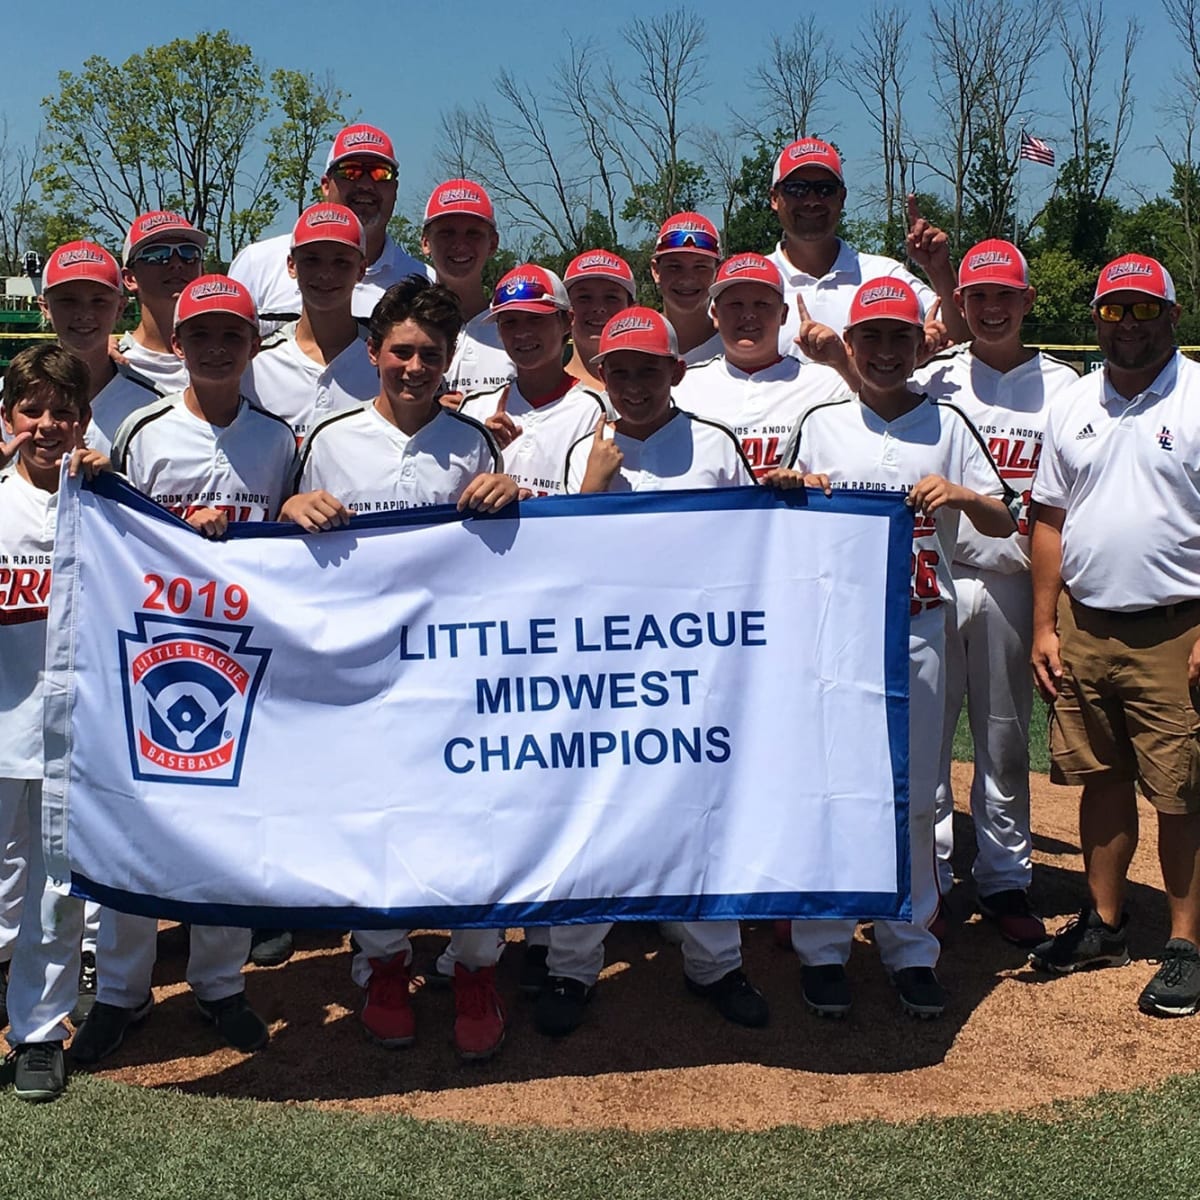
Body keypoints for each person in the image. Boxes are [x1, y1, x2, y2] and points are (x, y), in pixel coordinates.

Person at [281, 276, 516, 1060]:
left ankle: (476, 966)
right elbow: (283, 559)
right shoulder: (329, 439)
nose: (415, 367)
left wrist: (510, 492)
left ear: (450, 363)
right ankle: (383, 961)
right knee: (372, 820)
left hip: (454, 673)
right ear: (375, 351)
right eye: (403, 351)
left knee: (470, 821)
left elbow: (503, 560)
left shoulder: (470, 442)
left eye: (432, 355)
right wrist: (288, 513)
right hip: (359, 671)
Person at [71, 275, 292, 1067]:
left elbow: (294, 547)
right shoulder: (142, 430)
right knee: (138, 825)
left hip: (242, 659)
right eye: (200, 335)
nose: (216, 347)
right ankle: (120, 994)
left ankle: (219, 984)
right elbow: (112, 538)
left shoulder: (278, 438)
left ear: (252, 344)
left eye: (232, 335)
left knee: (225, 831)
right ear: (182, 344)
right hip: (149, 656)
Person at [782, 278, 1015, 1020]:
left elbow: (1006, 517)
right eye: (871, 337)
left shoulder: (945, 421)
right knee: (828, 789)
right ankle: (821, 947)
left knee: (914, 797)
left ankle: (910, 946)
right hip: (832, 632)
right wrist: (792, 486)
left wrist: (964, 496)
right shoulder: (820, 419)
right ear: (849, 347)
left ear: (921, 346)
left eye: (899, 338)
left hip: (917, 626)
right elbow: (777, 511)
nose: (885, 351)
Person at [540, 307, 769, 1037]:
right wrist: (591, 493)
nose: (633, 384)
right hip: (598, 666)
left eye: (648, 370)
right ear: (599, 373)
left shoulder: (714, 445)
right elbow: (548, 573)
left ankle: (716, 963)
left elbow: (755, 548)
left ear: (676, 371)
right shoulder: (574, 444)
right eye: (618, 370)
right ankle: (570, 970)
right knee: (593, 810)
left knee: (707, 810)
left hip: (695, 662)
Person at [1029, 253, 1200, 1017]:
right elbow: (1050, 519)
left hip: (1176, 626)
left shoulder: (1197, 397)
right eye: (1113, 310)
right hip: (1086, 625)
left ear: (1172, 314)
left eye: (1142, 309)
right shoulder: (1071, 402)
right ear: (1096, 318)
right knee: (1098, 779)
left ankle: (1187, 943)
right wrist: (1043, 623)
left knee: (1182, 790)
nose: (1126, 324)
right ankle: (1104, 923)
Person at [917, 240, 1078, 945]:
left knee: (1005, 741)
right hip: (941, 574)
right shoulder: (937, 378)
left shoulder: (1065, 385)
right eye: (976, 295)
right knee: (929, 733)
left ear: (1027, 301)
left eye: (1002, 295)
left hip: (1014, 578)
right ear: (960, 302)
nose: (988, 307)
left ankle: (1007, 877)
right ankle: (934, 876)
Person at [0, 344, 110, 1101]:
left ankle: (39, 1032)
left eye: (62, 411)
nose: (47, 424)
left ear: (84, 420)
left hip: (70, 734)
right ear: (7, 417)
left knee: (53, 891)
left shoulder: (105, 498)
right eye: (31, 409)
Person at [766, 138, 965, 360]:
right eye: (797, 189)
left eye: (825, 189)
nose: (812, 200)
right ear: (774, 198)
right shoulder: (751, 283)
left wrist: (939, 270)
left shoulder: (883, 274)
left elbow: (960, 338)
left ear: (841, 198)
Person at [229, 123, 432, 333]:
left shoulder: (424, 281)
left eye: (380, 173)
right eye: (350, 172)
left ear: (395, 189)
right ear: (326, 185)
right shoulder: (257, 264)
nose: (365, 184)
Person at [673, 252, 849, 477]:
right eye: (735, 304)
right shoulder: (682, 387)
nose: (748, 314)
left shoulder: (826, 383)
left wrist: (842, 362)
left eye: (762, 304)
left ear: (783, 314)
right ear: (715, 314)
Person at [458, 265, 607, 498]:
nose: (522, 333)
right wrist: (481, 450)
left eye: (535, 319)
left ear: (567, 321)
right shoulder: (473, 408)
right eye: (509, 322)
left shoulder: (597, 410)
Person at [242, 203, 378, 449]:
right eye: (312, 260)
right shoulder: (255, 364)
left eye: (341, 262)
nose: (326, 274)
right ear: (291, 266)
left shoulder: (385, 363)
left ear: (361, 270)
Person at [36, 240, 161, 457]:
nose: (84, 313)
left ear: (120, 307)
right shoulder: (11, 394)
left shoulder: (152, 404)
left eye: (99, 301)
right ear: (45, 307)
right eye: (68, 300)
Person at [421, 179, 514, 397]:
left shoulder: (513, 328)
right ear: (426, 242)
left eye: (473, 233)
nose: (460, 244)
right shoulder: (407, 328)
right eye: (447, 233)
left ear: (492, 244)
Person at [116, 211, 207, 393]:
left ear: (201, 270)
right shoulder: (112, 365)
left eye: (189, 253)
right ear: (130, 278)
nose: (176, 263)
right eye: (156, 255)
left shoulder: (232, 356)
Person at [650, 212, 724, 364]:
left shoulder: (736, 350)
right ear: (656, 271)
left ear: (718, 272)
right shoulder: (633, 343)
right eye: (675, 266)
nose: (687, 278)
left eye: (700, 267)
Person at [563, 249, 637, 391]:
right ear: (566, 311)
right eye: (584, 297)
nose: (598, 308)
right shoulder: (547, 393)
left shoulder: (658, 390)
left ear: (632, 310)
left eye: (611, 297)